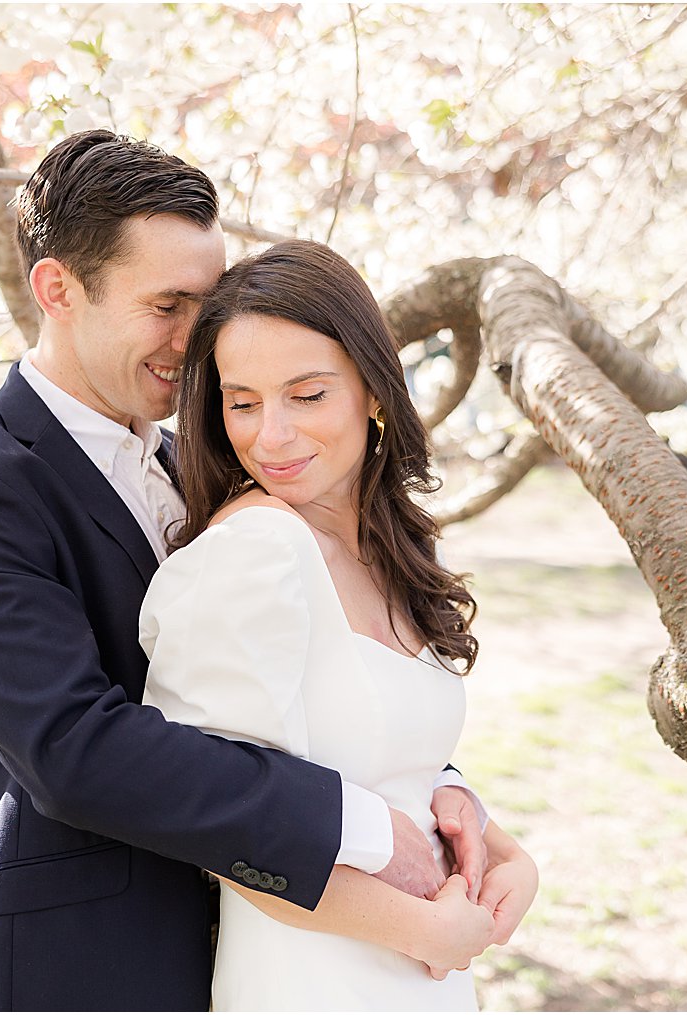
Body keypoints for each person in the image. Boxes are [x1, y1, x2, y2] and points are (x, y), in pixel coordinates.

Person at [0, 130, 507, 1012]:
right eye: (169, 305)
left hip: (274, 951)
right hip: (83, 970)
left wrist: (438, 794)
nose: (201, 339)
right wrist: (365, 826)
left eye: (208, 299)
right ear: (58, 289)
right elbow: (73, 749)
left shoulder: (223, 460)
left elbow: (317, 683)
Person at [139, 239, 539, 1010]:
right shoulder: (255, 552)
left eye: (308, 394)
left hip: (431, 973)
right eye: (243, 402)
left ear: (374, 392)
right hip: (314, 975)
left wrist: (501, 851)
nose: (273, 436)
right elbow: (222, 828)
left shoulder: (393, 544)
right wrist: (421, 932)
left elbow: (380, 761)